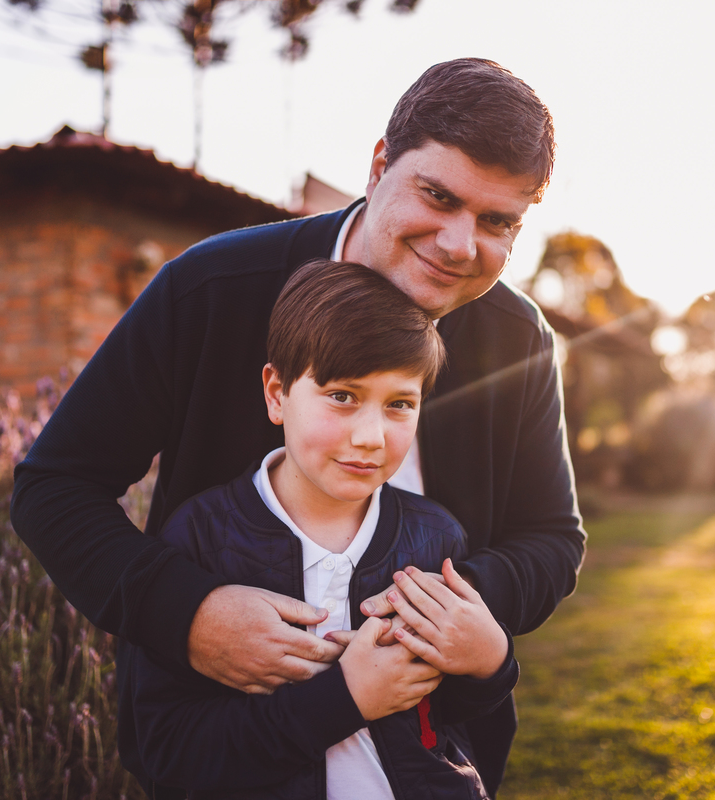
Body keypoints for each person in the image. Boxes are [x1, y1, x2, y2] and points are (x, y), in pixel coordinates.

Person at [11, 57, 586, 795]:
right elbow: (55, 487)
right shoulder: (209, 290)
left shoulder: (519, 336)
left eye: (496, 222)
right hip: (223, 756)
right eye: (438, 196)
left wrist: (452, 609)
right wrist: (188, 613)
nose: (457, 244)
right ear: (380, 165)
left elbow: (552, 539)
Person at [122, 259, 519, 799]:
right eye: (343, 396)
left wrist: (492, 660)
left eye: (400, 404)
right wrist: (345, 698)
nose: (371, 437)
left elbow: (451, 717)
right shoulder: (199, 538)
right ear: (277, 392)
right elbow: (170, 751)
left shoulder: (435, 536)